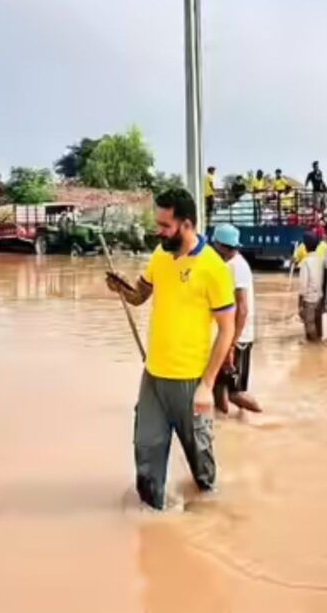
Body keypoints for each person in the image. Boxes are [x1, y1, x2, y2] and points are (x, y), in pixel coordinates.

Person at [105, 188, 236, 510]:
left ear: (186, 224)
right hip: (153, 376)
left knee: (202, 464)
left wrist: (207, 386)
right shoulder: (160, 256)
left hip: (190, 381)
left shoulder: (213, 267)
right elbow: (140, 296)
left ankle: (211, 516)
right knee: (146, 449)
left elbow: (227, 329)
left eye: (165, 226)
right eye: (158, 224)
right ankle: (151, 519)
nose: (158, 231)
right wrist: (121, 288)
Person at [210, 224, 263, 415]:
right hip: (227, 335)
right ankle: (226, 428)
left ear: (220, 246)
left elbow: (243, 308)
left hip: (238, 339)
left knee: (235, 392)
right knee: (218, 388)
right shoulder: (228, 265)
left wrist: (231, 344)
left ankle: (268, 418)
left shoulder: (237, 267)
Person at [297, 232, 326, 342]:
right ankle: (319, 349)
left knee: (310, 328)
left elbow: (303, 286)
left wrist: (299, 304)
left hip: (309, 300)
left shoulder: (305, 262)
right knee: (319, 327)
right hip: (320, 298)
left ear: (305, 246)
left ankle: (317, 347)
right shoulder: (321, 260)